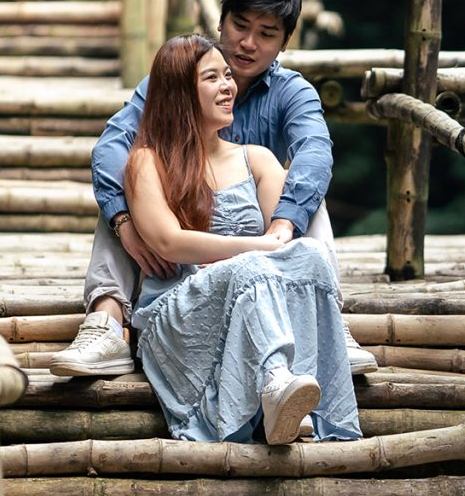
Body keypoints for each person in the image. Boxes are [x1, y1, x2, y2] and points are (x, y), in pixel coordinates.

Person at [48, 0, 377, 378]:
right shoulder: (170, 81)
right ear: (220, 21)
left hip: (257, 233)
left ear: (285, 42)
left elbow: (314, 151)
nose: (248, 43)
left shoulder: (292, 92)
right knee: (124, 184)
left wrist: (283, 226)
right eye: (239, 25)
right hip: (178, 233)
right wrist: (125, 222)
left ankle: (326, 316)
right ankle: (108, 323)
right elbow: (112, 147)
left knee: (308, 194)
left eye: (267, 33)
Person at [112, 35, 362, 444]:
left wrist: (260, 251)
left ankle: (297, 396)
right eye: (213, 78)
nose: (229, 86)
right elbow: (169, 242)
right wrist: (252, 249)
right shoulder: (147, 160)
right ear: (180, 93)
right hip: (179, 311)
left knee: (312, 255)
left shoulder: (257, 159)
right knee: (251, 266)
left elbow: (284, 247)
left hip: (250, 295)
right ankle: (274, 386)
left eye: (228, 76)